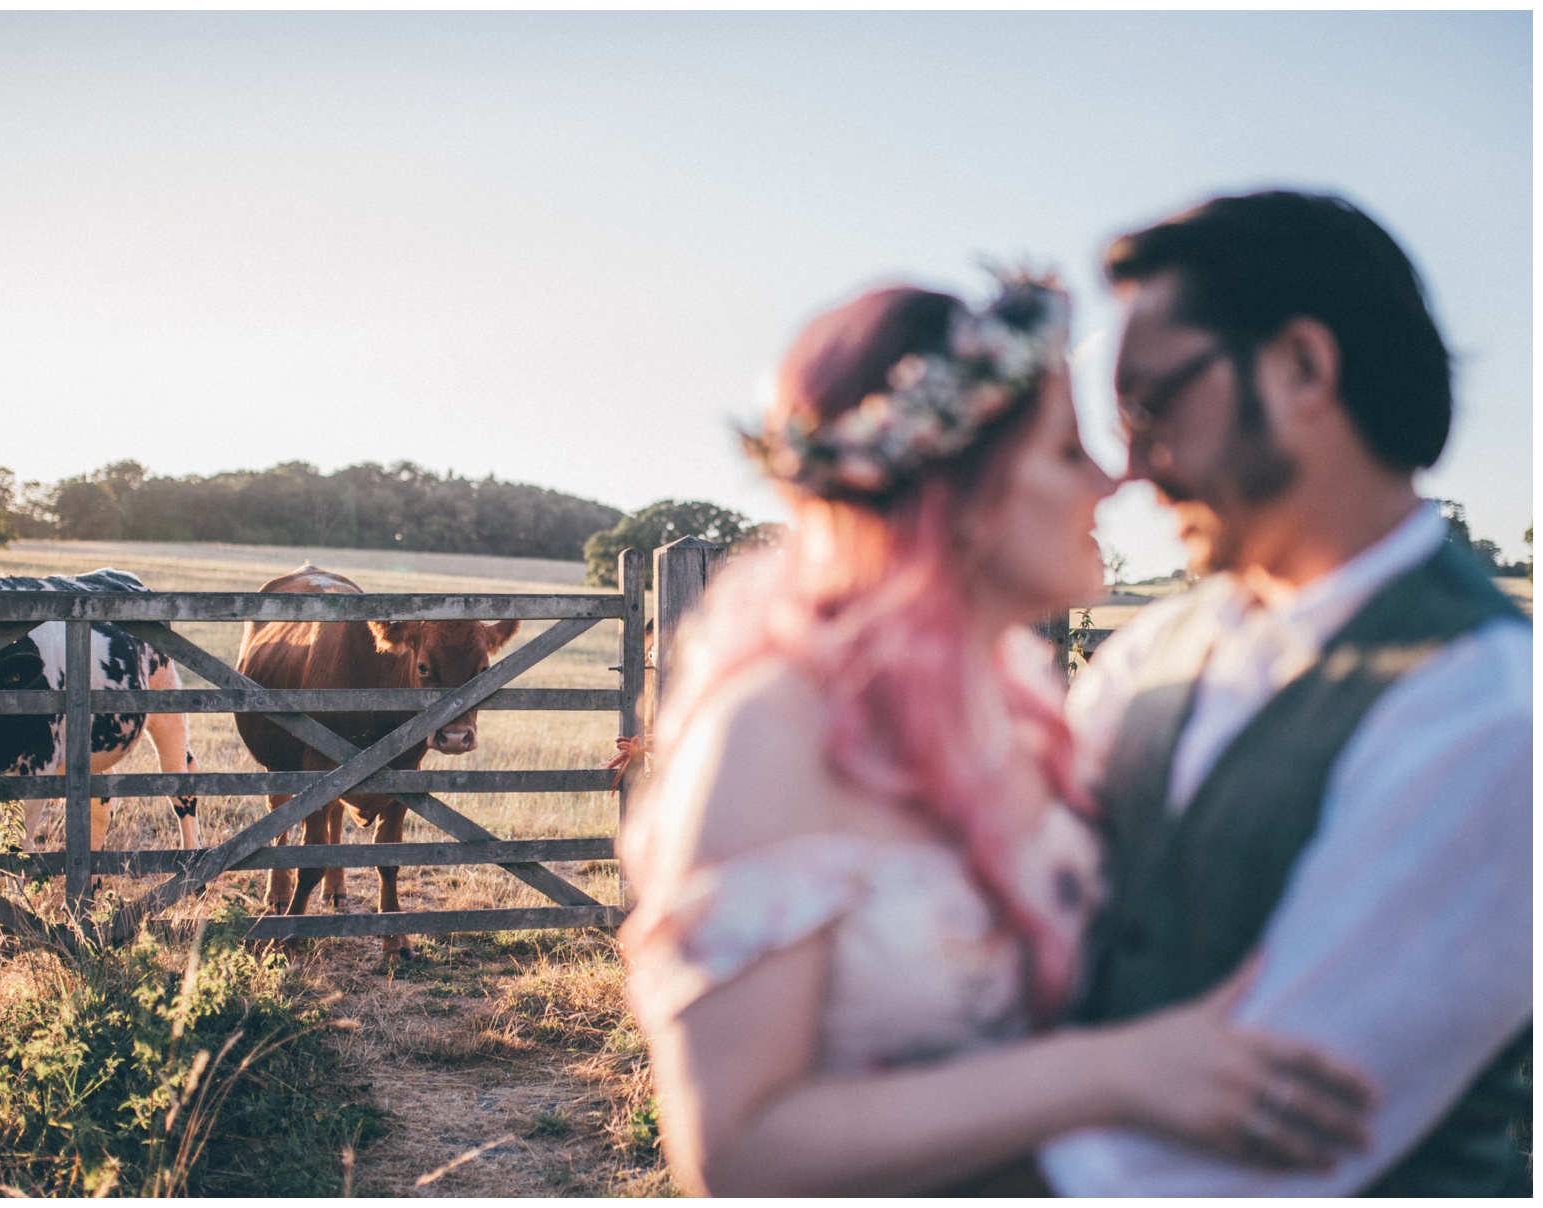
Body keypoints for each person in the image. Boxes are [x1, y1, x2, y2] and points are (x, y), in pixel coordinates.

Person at [617, 273, 1377, 1196]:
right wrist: (1118, 1073)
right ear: (960, 493)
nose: (1114, 478)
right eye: (1067, 449)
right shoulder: (773, 728)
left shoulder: (1013, 690)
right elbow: (736, 1151)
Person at [1038, 190, 1531, 1196]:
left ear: (1302, 366)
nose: (1127, 468)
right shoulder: (1156, 647)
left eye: (1151, 405)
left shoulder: (1490, 712)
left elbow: (1248, 1150)